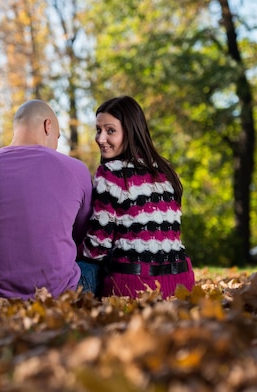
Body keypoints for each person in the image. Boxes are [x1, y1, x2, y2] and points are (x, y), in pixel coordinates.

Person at [0, 99, 94, 301]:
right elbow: (83, 230)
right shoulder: (75, 169)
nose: (56, 146)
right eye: (57, 137)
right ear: (48, 126)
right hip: (61, 295)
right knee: (95, 261)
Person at [80, 95, 195, 298]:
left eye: (110, 130)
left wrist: (71, 249)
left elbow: (98, 248)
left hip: (133, 286)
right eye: (98, 130)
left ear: (130, 132)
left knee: (78, 268)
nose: (100, 138)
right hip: (181, 284)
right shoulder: (167, 171)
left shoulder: (111, 173)